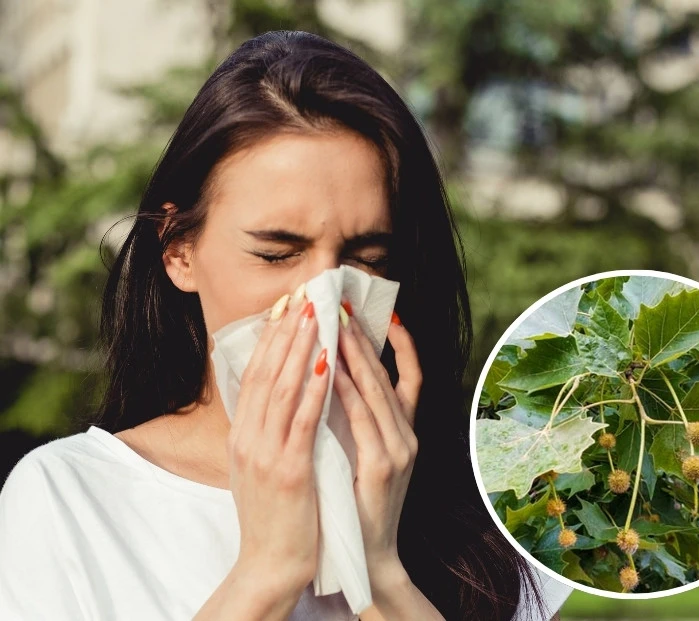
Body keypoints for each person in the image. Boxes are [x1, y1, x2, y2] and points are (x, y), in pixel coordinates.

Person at [0, 31, 568, 620]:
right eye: (276, 254)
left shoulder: (485, 522)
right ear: (178, 250)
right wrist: (265, 573)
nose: (324, 299)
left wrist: (375, 569)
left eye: (367, 260)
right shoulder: (69, 498)